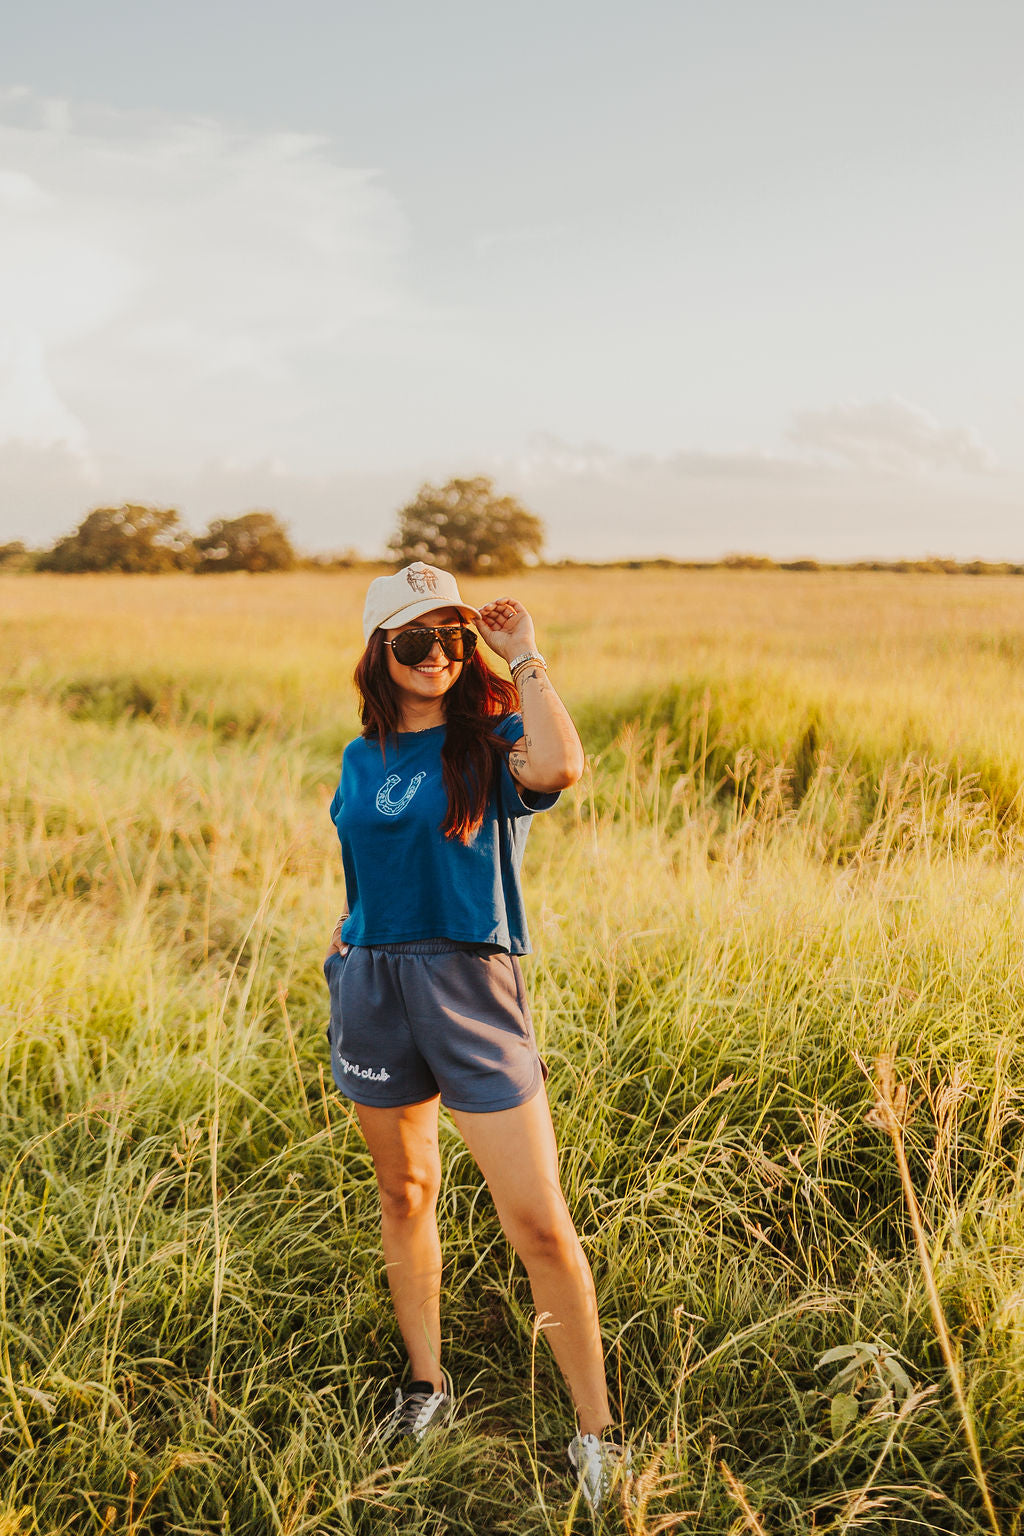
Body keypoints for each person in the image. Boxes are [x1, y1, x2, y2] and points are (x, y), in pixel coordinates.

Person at [323, 561, 627, 1511]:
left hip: (469, 984)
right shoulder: (358, 755)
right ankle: (426, 1386)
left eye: (453, 636)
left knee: (537, 1220)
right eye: (417, 638)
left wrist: (525, 655)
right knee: (406, 1189)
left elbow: (561, 768)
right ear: (382, 651)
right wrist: (351, 931)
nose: (439, 654)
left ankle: (598, 1436)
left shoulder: (492, 742)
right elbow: (364, 861)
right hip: (374, 986)